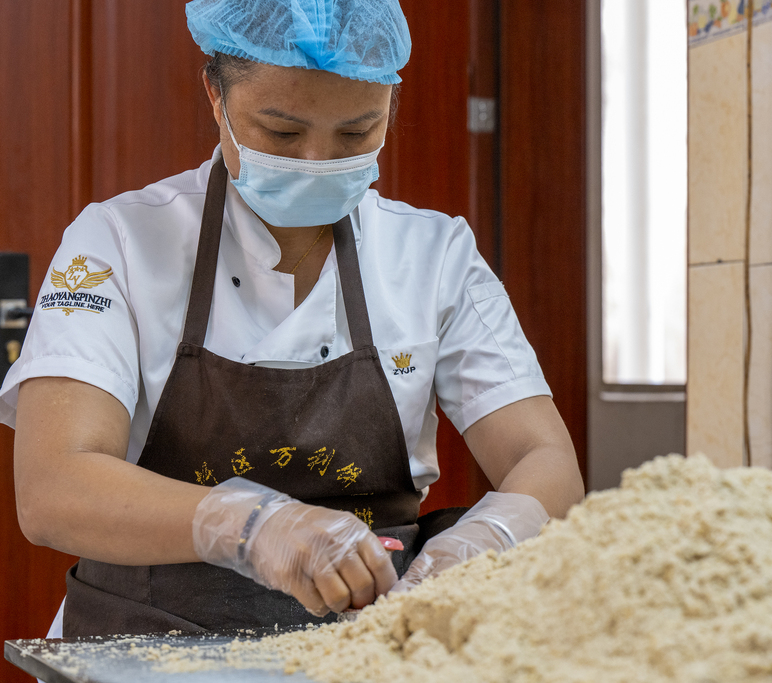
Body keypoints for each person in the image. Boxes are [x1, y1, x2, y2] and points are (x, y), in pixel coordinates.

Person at [0, 0, 584, 638]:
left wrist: (476, 547)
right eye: (281, 133)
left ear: (391, 103)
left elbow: (543, 456)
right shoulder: (119, 240)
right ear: (215, 97)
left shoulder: (433, 253)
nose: (315, 160)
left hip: (369, 640)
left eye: (356, 133)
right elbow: (53, 486)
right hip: (146, 638)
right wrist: (254, 526)